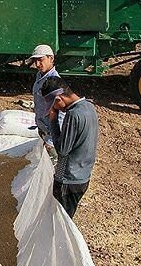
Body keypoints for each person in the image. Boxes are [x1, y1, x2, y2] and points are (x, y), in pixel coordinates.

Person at [40, 76, 99, 219]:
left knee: (60, 220)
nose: (54, 109)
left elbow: (62, 150)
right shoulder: (89, 107)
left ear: (59, 98)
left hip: (68, 179)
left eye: (53, 105)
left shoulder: (73, 115)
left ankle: (58, 242)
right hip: (83, 175)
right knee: (66, 216)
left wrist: (53, 119)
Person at [28, 44, 60, 164]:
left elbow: (59, 114)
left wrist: (51, 142)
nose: (37, 64)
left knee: (53, 168)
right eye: (35, 61)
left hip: (51, 134)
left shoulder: (53, 82)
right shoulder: (40, 76)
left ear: (51, 59)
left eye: (41, 60)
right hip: (43, 129)